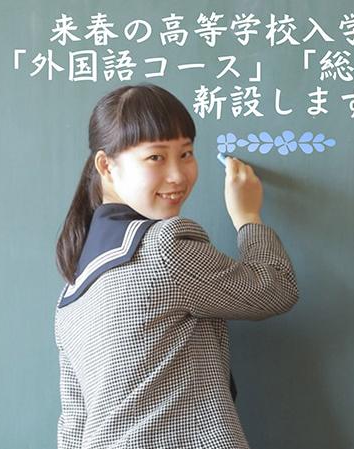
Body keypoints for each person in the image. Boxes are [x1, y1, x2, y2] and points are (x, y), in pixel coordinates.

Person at [54, 84, 298, 449]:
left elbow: (73, 427)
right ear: (106, 165)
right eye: (156, 157)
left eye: (186, 154)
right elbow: (276, 288)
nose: (178, 175)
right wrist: (248, 217)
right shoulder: (163, 247)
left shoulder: (71, 294)